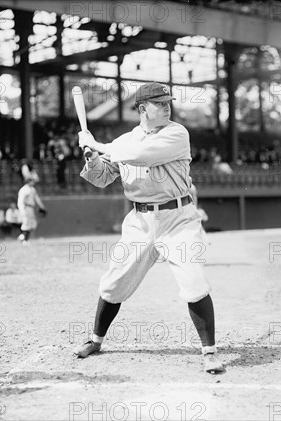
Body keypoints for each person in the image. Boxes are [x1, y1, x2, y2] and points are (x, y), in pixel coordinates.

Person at [75, 82, 224, 373]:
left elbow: (142, 154)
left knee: (193, 282)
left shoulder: (177, 133)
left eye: (168, 101)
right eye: (160, 103)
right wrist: (92, 159)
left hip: (177, 219)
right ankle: (95, 339)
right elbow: (104, 177)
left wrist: (99, 144)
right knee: (113, 283)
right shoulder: (125, 141)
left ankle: (209, 351)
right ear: (143, 108)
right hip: (140, 222)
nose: (167, 106)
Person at [17, 177, 47, 245]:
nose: (33, 182)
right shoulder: (23, 190)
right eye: (32, 181)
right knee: (26, 223)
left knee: (32, 224)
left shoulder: (32, 189)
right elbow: (20, 201)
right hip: (26, 207)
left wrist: (42, 207)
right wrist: (22, 210)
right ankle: (25, 240)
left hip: (31, 208)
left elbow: (37, 199)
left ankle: (22, 237)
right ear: (28, 182)